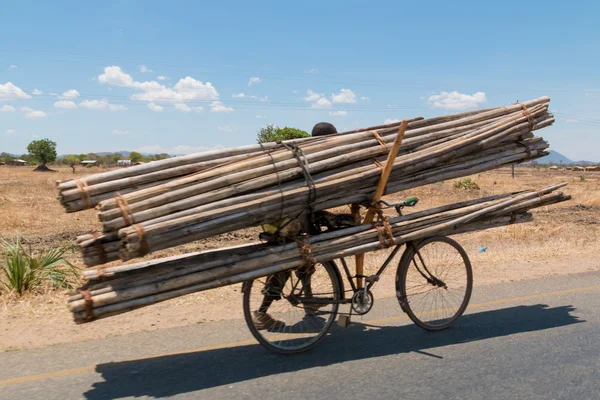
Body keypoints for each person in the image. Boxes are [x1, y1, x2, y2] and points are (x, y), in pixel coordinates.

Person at [252, 122, 339, 330]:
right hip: (290, 224)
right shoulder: (310, 157)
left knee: (305, 264)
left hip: (289, 221)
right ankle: (261, 313)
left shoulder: (303, 155)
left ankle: (309, 305)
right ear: (327, 138)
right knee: (286, 267)